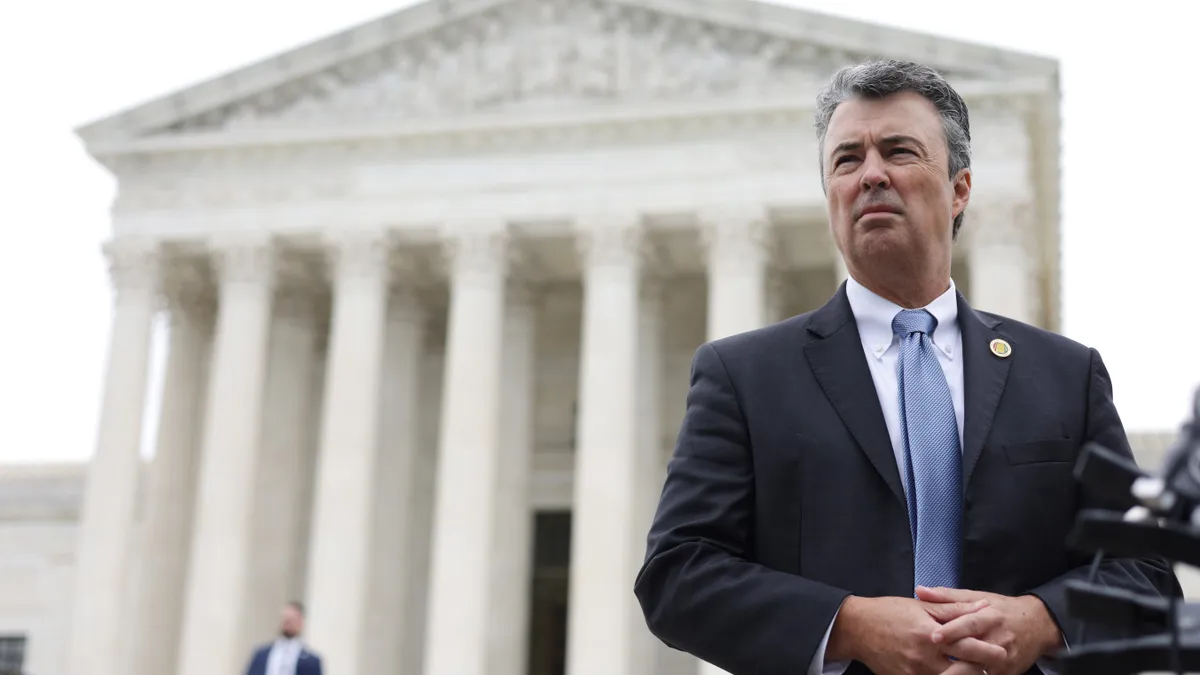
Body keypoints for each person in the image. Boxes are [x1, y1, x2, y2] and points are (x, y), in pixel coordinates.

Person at [633, 59, 1179, 675]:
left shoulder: (1064, 375)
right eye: (846, 160)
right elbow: (677, 575)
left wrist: (1040, 620)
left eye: (898, 151)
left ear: (959, 189)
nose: (870, 175)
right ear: (830, 196)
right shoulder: (744, 376)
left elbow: (1149, 572)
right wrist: (848, 624)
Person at [243, 601, 323, 675]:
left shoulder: (311, 661)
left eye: (292, 620)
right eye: (286, 620)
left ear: (301, 622)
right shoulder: (261, 654)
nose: (288, 624)